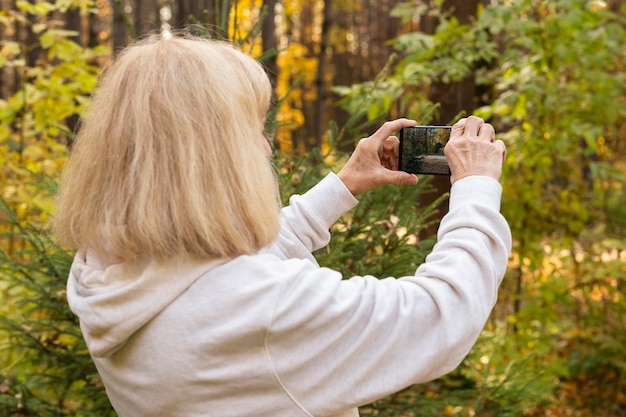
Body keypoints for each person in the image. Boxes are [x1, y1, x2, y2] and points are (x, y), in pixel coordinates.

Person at [53, 34, 510, 417]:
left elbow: (220, 268)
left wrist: (343, 186)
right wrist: (475, 188)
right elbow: (438, 315)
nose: (267, 150)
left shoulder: (105, 268)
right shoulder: (263, 307)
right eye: (252, 129)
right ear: (211, 153)